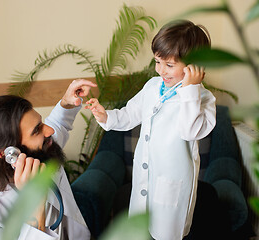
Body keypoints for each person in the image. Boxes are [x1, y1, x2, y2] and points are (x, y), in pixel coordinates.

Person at [86, 20, 216, 239]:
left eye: (169, 65)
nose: (160, 70)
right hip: (144, 181)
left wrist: (190, 89)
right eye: (157, 61)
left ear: (195, 66)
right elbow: (130, 114)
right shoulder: (153, 86)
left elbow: (189, 131)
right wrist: (105, 115)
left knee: (165, 233)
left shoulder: (202, 99)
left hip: (172, 188)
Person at [0, 79, 97, 240]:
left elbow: (58, 123)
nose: (49, 131)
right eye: (37, 130)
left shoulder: (41, 152)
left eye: (41, 123)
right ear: (8, 154)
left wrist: (67, 102)